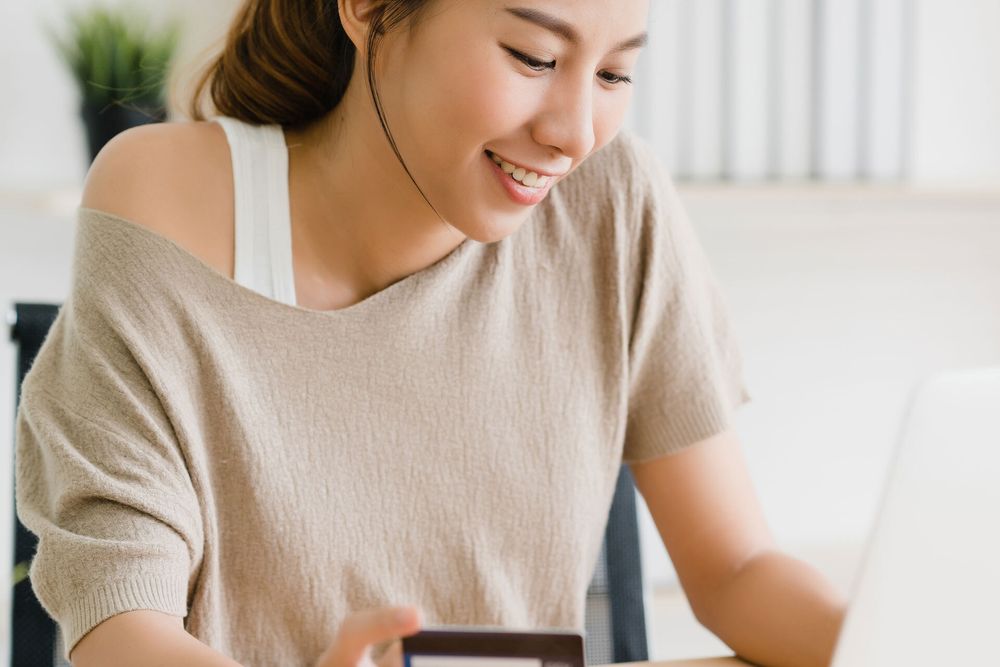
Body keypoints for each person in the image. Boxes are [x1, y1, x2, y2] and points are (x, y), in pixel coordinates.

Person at [14, 0, 847, 666]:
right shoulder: (164, 198)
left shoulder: (614, 204)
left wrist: (908, 640)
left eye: (616, 72)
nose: (575, 131)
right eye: (533, 57)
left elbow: (736, 572)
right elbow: (119, 627)